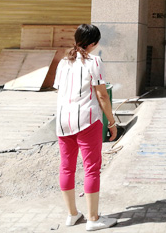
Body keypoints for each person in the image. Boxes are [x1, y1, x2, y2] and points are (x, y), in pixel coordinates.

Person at [54, 24, 118, 231]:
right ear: (94, 43)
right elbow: (102, 95)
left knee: (67, 167)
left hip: (63, 120)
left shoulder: (63, 62)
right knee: (91, 169)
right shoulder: (94, 61)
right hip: (87, 120)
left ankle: (72, 215)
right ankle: (93, 218)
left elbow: (59, 90)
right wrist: (112, 122)